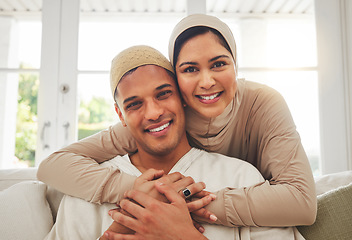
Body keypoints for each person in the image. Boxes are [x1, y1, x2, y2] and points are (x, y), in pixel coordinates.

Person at [37, 14, 316, 227]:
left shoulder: (263, 103)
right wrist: (139, 191)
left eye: (219, 63)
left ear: (235, 64)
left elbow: (303, 203)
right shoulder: (162, 119)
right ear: (177, 79)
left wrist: (182, 204)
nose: (207, 82)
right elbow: (53, 166)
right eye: (190, 69)